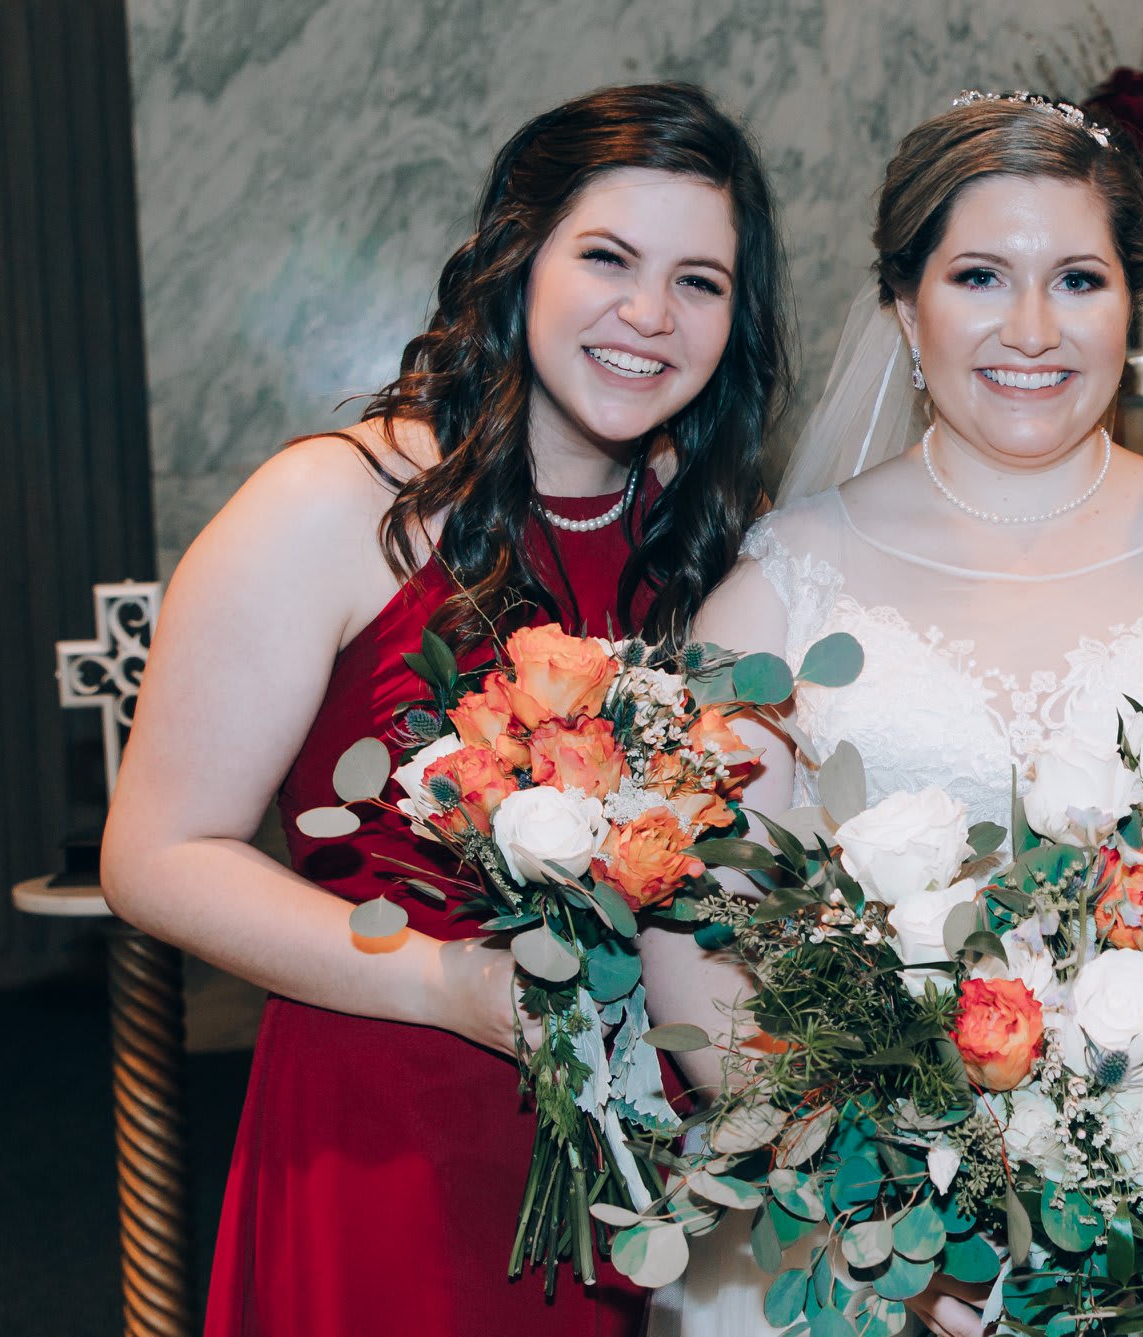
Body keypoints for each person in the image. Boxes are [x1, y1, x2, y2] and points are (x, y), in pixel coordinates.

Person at [640, 94, 1143, 1337]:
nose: (1032, 329)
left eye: (1078, 279)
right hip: (861, 1254)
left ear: (1133, 303)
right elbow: (698, 941)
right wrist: (886, 1210)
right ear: (902, 302)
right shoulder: (777, 590)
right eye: (979, 275)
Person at [100, 83, 789, 1336]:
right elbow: (156, 856)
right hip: (384, 1121)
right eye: (608, 257)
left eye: (699, 280)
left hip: (636, 1157)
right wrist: (447, 986)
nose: (650, 313)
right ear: (517, 260)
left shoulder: (705, 540)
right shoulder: (335, 501)